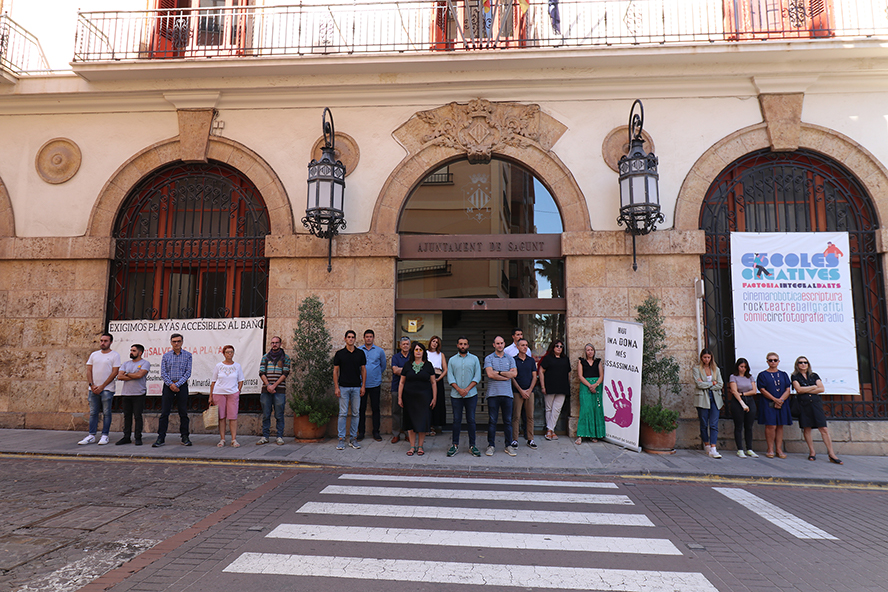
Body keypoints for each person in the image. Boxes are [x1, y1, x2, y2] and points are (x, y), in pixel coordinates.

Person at [792, 356, 843, 464]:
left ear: (808, 364)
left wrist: (807, 388)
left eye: (805, 362)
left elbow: (821, 388)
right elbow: (799, 390)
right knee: (807, 428)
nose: (803, 364)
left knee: (823, 428)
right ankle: (812, 452)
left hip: (815, 404)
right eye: (800, 362)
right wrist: (813, 387)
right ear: (797, 365)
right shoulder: (795, 376)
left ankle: (831, 453)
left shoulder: (814, 375)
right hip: (804, 405)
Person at [79, 333, 121, 446]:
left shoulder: (115, 355)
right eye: (101, 340)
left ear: (111, 342)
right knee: (93, 412)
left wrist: (102, 386)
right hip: (93, 389)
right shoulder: (94, 355)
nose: (103, 343)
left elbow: (114, 372)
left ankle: (105, 435)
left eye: (105, 341)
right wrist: (92, 385)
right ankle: (91, 435)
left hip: (107, 389)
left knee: (107, 413)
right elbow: (89, 370)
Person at [398, 341, 437, 456]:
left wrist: (434, 398)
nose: (418, 352)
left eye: (420, 350)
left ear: (423, 352)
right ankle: (412, 446)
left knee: (422, 422)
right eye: (416, 350)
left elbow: (433, 383)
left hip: (424, 397)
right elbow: (401, 382)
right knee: (410, 422)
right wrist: (400, 397)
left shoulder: (428, 365)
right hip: (409, 397)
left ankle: (420, 446)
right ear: (413, 352)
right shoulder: (407, 365)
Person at [154, 333, 193, 447]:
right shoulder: (166, 356)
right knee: (165, 412)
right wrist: (171, 384)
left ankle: (185, 436)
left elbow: (188, 372)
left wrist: (178, 384)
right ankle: (161, 437)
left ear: (182, 342)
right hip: (168, 386)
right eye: (174, 341)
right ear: (171, 342)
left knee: (183, 412)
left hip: (182, 386)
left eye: (179, 341)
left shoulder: (188, 355)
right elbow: (163, 373)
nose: (176, 343)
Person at [447, 336, 482, 457]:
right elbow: (450, 377)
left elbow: (477, 377)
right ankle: (455, 445)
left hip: (471, 395)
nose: (463, 346)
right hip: (456, 396)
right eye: (461, 344)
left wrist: (466, 390)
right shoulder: (452, 360)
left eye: (465, 344)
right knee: (456, 420)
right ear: (457, 345)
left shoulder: (474, 359)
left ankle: (472, 446)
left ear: (468, 346)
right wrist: (459, 390)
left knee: (471, 420)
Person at [484, 336, 518, 456]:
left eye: (501, 343)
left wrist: (498, 372)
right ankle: (491, 445)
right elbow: (490, 374)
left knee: (508, 421)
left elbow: (514, 374)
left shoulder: (510, 358)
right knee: (492, 421)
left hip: (507, 394)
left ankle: (508, 445)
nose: (500, 345)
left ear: (504, 344)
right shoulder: (489, 358)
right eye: (497, 343)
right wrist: (505, 375)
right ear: (494, 345)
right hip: (493, 394)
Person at [333, 330, 366, 450]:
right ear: (345, 339)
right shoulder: (340, 354)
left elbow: (363, 370)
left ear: (355, 339)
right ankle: (341, 439)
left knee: (356, 413)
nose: (351, 339)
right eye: (349, 337)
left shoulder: (360, 353)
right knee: (342, 413)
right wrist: (336, 387)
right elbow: (336, 371)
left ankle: (353, 438)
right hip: (343, 387)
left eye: (353, 337)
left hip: (357, 387)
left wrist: (363, 386)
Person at [756, 352, 792, 459]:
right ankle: (770, 448)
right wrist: (775, 399)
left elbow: (787, 389)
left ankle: (779, 449)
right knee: (771, 425)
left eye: (775, 360)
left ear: (778, 361)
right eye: (770, 360)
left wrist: (780, 400)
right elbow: (762, 389)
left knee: (780, 425)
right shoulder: (763, 375)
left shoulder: (783, 374)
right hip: (768, 403)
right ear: (767, 361)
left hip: (782, 403)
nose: (773, 362)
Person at [257, 336, 290, 446]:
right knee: (266, 414)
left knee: (279, 414)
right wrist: (268, 385)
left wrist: (274, 386)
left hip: (279, 390)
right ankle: (265, 436)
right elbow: (261, 372)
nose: (274, 344)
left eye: (276, 342)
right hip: (266, 390)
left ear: (280, 344)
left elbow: (285, 373)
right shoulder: (265, 357)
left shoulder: (285, 357)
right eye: (272, 343)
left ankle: (279, 436)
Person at [209, 345, 244, 448]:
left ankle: (234, 439)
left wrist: (238, 391)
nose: (230, 354)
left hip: (232, 393)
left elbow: (241, 380)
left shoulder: (237, 366)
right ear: (223, 354)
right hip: (219, 393)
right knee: (221, 417)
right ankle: (222, 439)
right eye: (228, 352)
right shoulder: (219, 366)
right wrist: (210, 396)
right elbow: (213, 381)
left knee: (233, 417)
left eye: (231, 352)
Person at [115, 343, 150, 446]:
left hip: (138, 394)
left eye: (134, 351)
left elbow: (140, 375)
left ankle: (138, 437)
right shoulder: (126, 364)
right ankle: (126, 437)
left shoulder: (145, 363)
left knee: (138, 416)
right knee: (127, 416)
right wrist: (133, 375)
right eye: (131, 350)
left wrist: (128, 374)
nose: (131, 352)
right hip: (126, 393)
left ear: (140, 353)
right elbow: (120, 376)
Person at [693, 348, 724, 458]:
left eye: (708, 357)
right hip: (703, 398)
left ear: (711, 358)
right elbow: (698, 384)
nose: (706, 359)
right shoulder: (697, 369)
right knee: (704, 422)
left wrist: (706, 383)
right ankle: (706, 444)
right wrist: (712, 383)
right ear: (702, 357)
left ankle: (713, 448)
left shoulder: (716, 369)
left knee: (714, 423)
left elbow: (720, 384)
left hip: (715, 397)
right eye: (705, 357)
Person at [358, 329, 387, 442]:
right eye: (367, 336)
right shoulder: (359, 350)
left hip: (375, 384)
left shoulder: (379, 351)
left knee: (376, 409)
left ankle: (376, 432)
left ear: (373, 338)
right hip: (361, 385)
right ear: (364, 338)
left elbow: (383, 366)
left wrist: (376, 375)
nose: (369, 338)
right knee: (361, 409)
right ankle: (361, 432)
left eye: (370, 336)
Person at [539, 340, 570, 441]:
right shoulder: (548, 358)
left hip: (562, 387)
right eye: (557, 346)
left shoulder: (565, 359)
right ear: (553, 347)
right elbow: (541, 371)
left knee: (557, 409)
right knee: (549, 409)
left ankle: (550, 430)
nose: (559, 348)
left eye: (561, 346)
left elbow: (568, 373)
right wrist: (543, 386)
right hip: (549, 386)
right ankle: (551, 431)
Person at [510, 338, 538, 449]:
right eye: (522, 345)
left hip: (529, 392)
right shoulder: (513, 360)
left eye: (526, 345)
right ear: (517, 347)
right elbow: (512, 377)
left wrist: (529, 390)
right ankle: (515, 439)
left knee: (530, 416)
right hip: (517, 392)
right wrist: (521, 390)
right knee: (516, 416)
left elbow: (534, 376)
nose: (525, 347)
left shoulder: (531, 361)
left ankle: (530, 439)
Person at [728, 358, 758, 458]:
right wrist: (742, 402)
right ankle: (740, 449)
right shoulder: (733, 377)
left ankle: (749, 448)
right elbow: (734, 391)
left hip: (749, 400)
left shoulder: (749, 377)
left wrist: (743, 394)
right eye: (741, 367)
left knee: (749, 426)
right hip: (738, 402)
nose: (743, 369)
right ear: (737, 367)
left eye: (745, 367)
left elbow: (754, 391)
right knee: (739, 425)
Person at [575, 343, 605, 444]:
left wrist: (595, 385)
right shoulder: (581, 361)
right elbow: (580, 375)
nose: (590, 351)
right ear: (585, 352)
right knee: (585, 410)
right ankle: (580, 435)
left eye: (591, 349)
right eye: (588, 350)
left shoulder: (598, 362)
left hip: (597, 387)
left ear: (594, 351)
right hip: (585, 387)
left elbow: (601, 375)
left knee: (595, 409)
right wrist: (589, 385)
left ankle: (594, 435)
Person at [390, 336, 411, 443]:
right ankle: (396, 434)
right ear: (400, 345)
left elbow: (416, 371)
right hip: (396, 387)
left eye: (407, 344)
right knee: (396, 412)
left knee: (408, 412)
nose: (405, 346)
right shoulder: (395, 357)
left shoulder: (413, 357)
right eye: (403, 344)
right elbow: (395, 371)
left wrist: (401, 369)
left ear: (410, 345)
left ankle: (408, 434)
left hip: (409, 389)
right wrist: (408, 370)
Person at [426, 335, 448, 436]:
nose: (434, 343)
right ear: (430, 342)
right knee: (427, 401)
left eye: (437, 342)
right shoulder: (425, 353)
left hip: (438, 377)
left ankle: (436, 425)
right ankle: (427, 426)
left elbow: (445, 369)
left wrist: (439, 378)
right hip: (427, 379)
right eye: (433, 341)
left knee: (437, 402)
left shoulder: (441, 354)